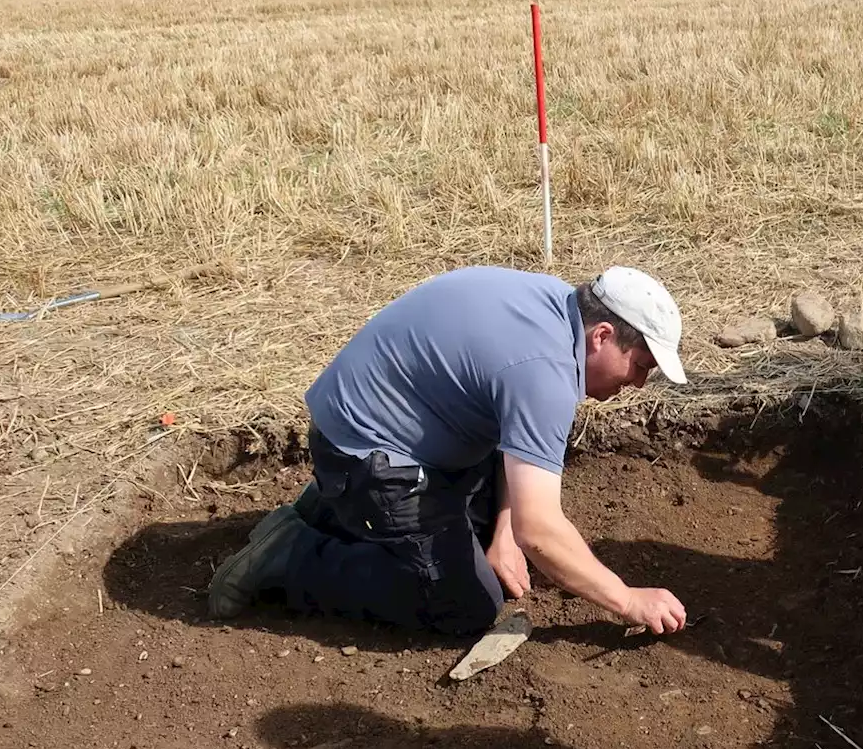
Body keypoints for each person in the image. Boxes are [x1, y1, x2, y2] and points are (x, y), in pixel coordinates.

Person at [207, 264, 691, 636]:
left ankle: (323, 509)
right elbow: (540, 530)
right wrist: (628, 601)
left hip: (375, 429)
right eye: (640, 365)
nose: (638, 383)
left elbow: (513, 446)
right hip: (365, 456)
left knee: (483, 537)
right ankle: (292, 555)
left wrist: (504, 532)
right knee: (467, 602)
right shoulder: (544, 372)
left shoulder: (552, 305)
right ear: (602, 336)